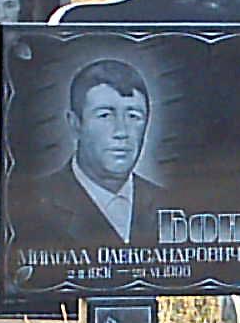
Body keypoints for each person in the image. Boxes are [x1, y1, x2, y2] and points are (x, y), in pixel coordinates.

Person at [14, 59, 167, 246]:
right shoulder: (31, 205)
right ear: (75, 124)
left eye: (133, 116)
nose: (121, 132)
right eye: (105, 115)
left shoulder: (170, 203)